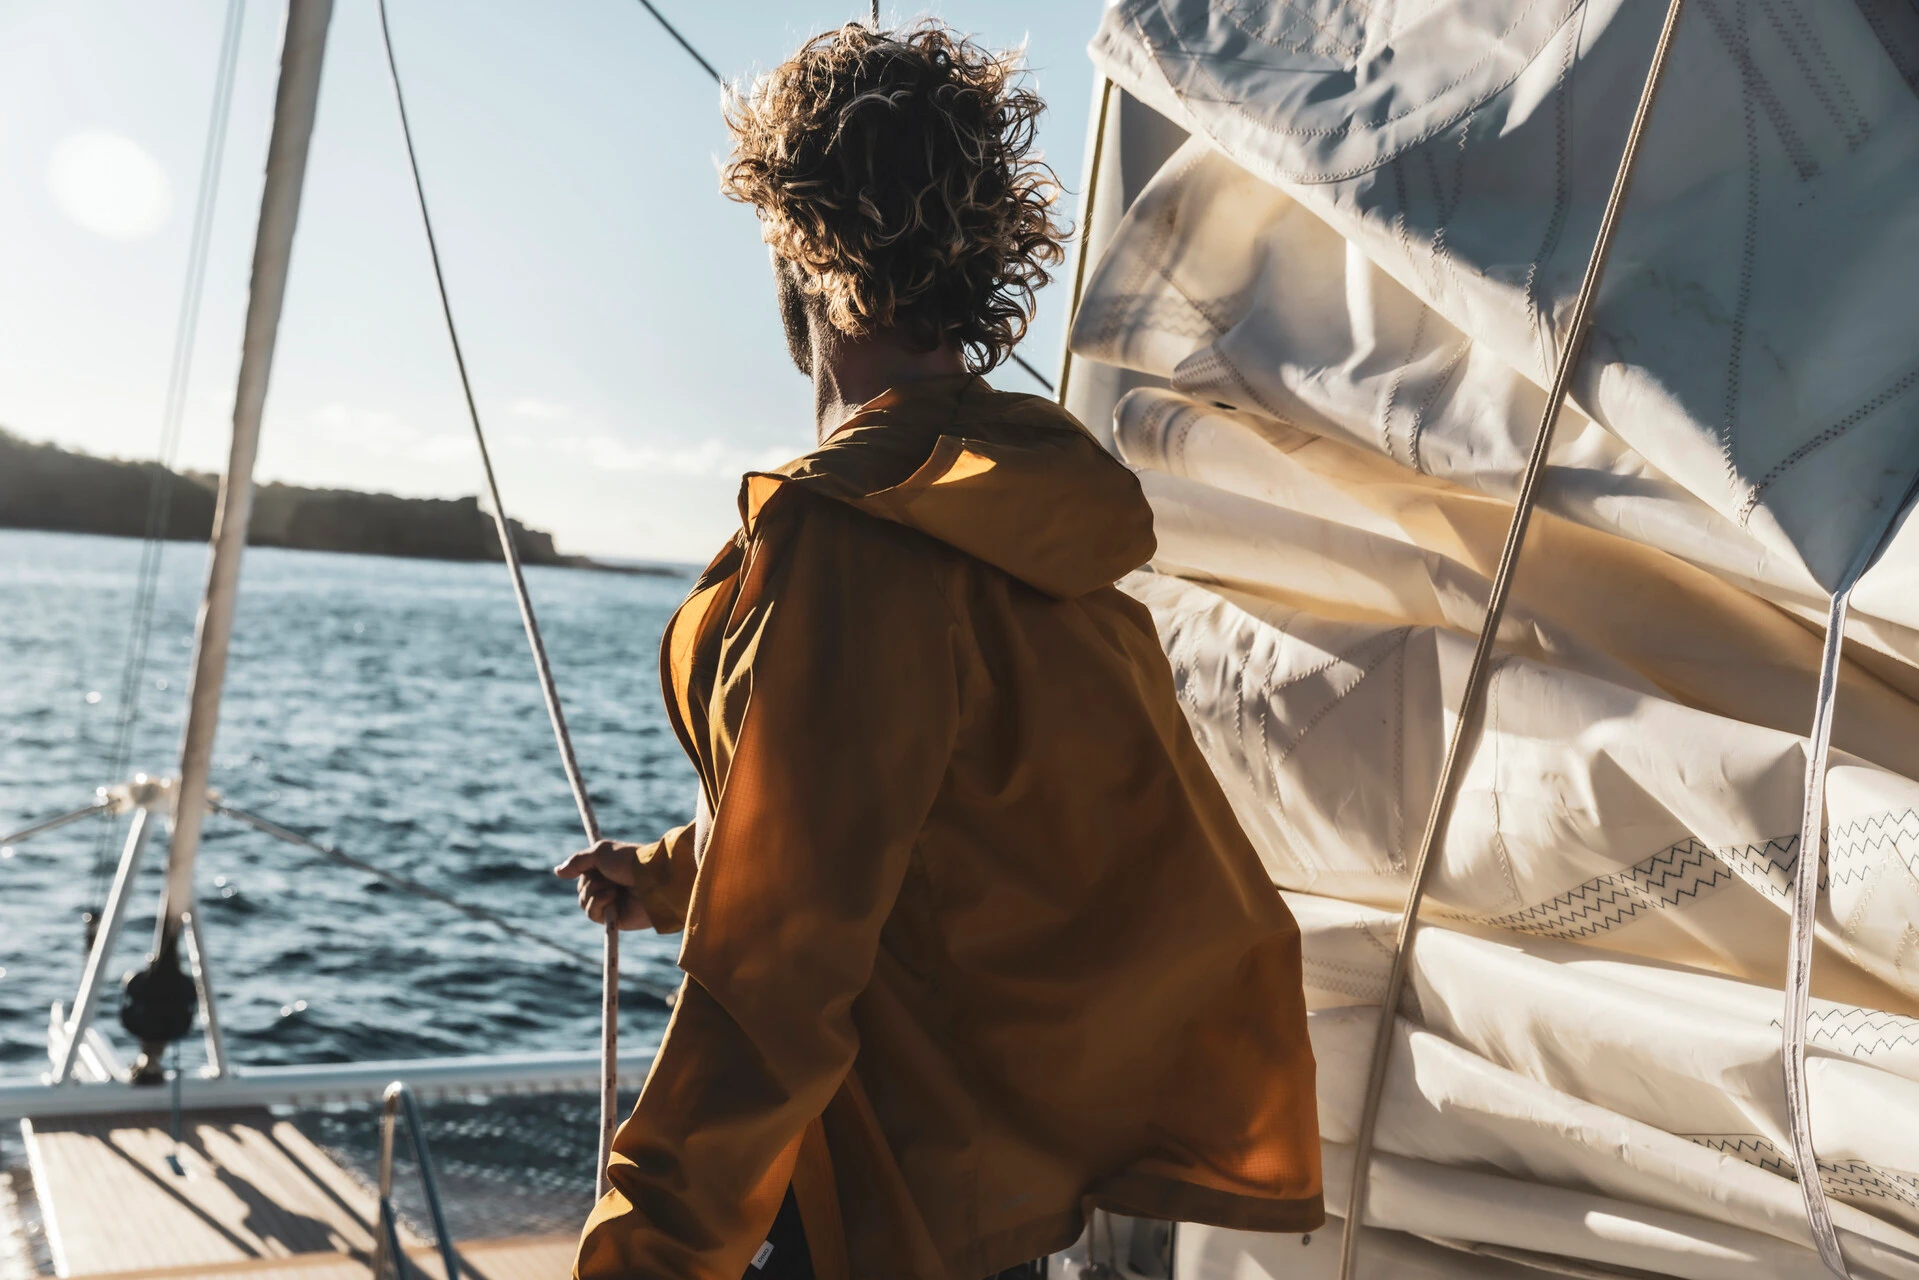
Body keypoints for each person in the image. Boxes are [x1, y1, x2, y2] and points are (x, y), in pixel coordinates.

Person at [556, 20, 1321, 1280]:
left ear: (798, 244)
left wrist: (640, 1258)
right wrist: (679, 873)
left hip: (863, 1212)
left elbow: (777, 975)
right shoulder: (1022, 509)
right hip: (989, 1210)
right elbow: (935, 826)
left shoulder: (855, 534)